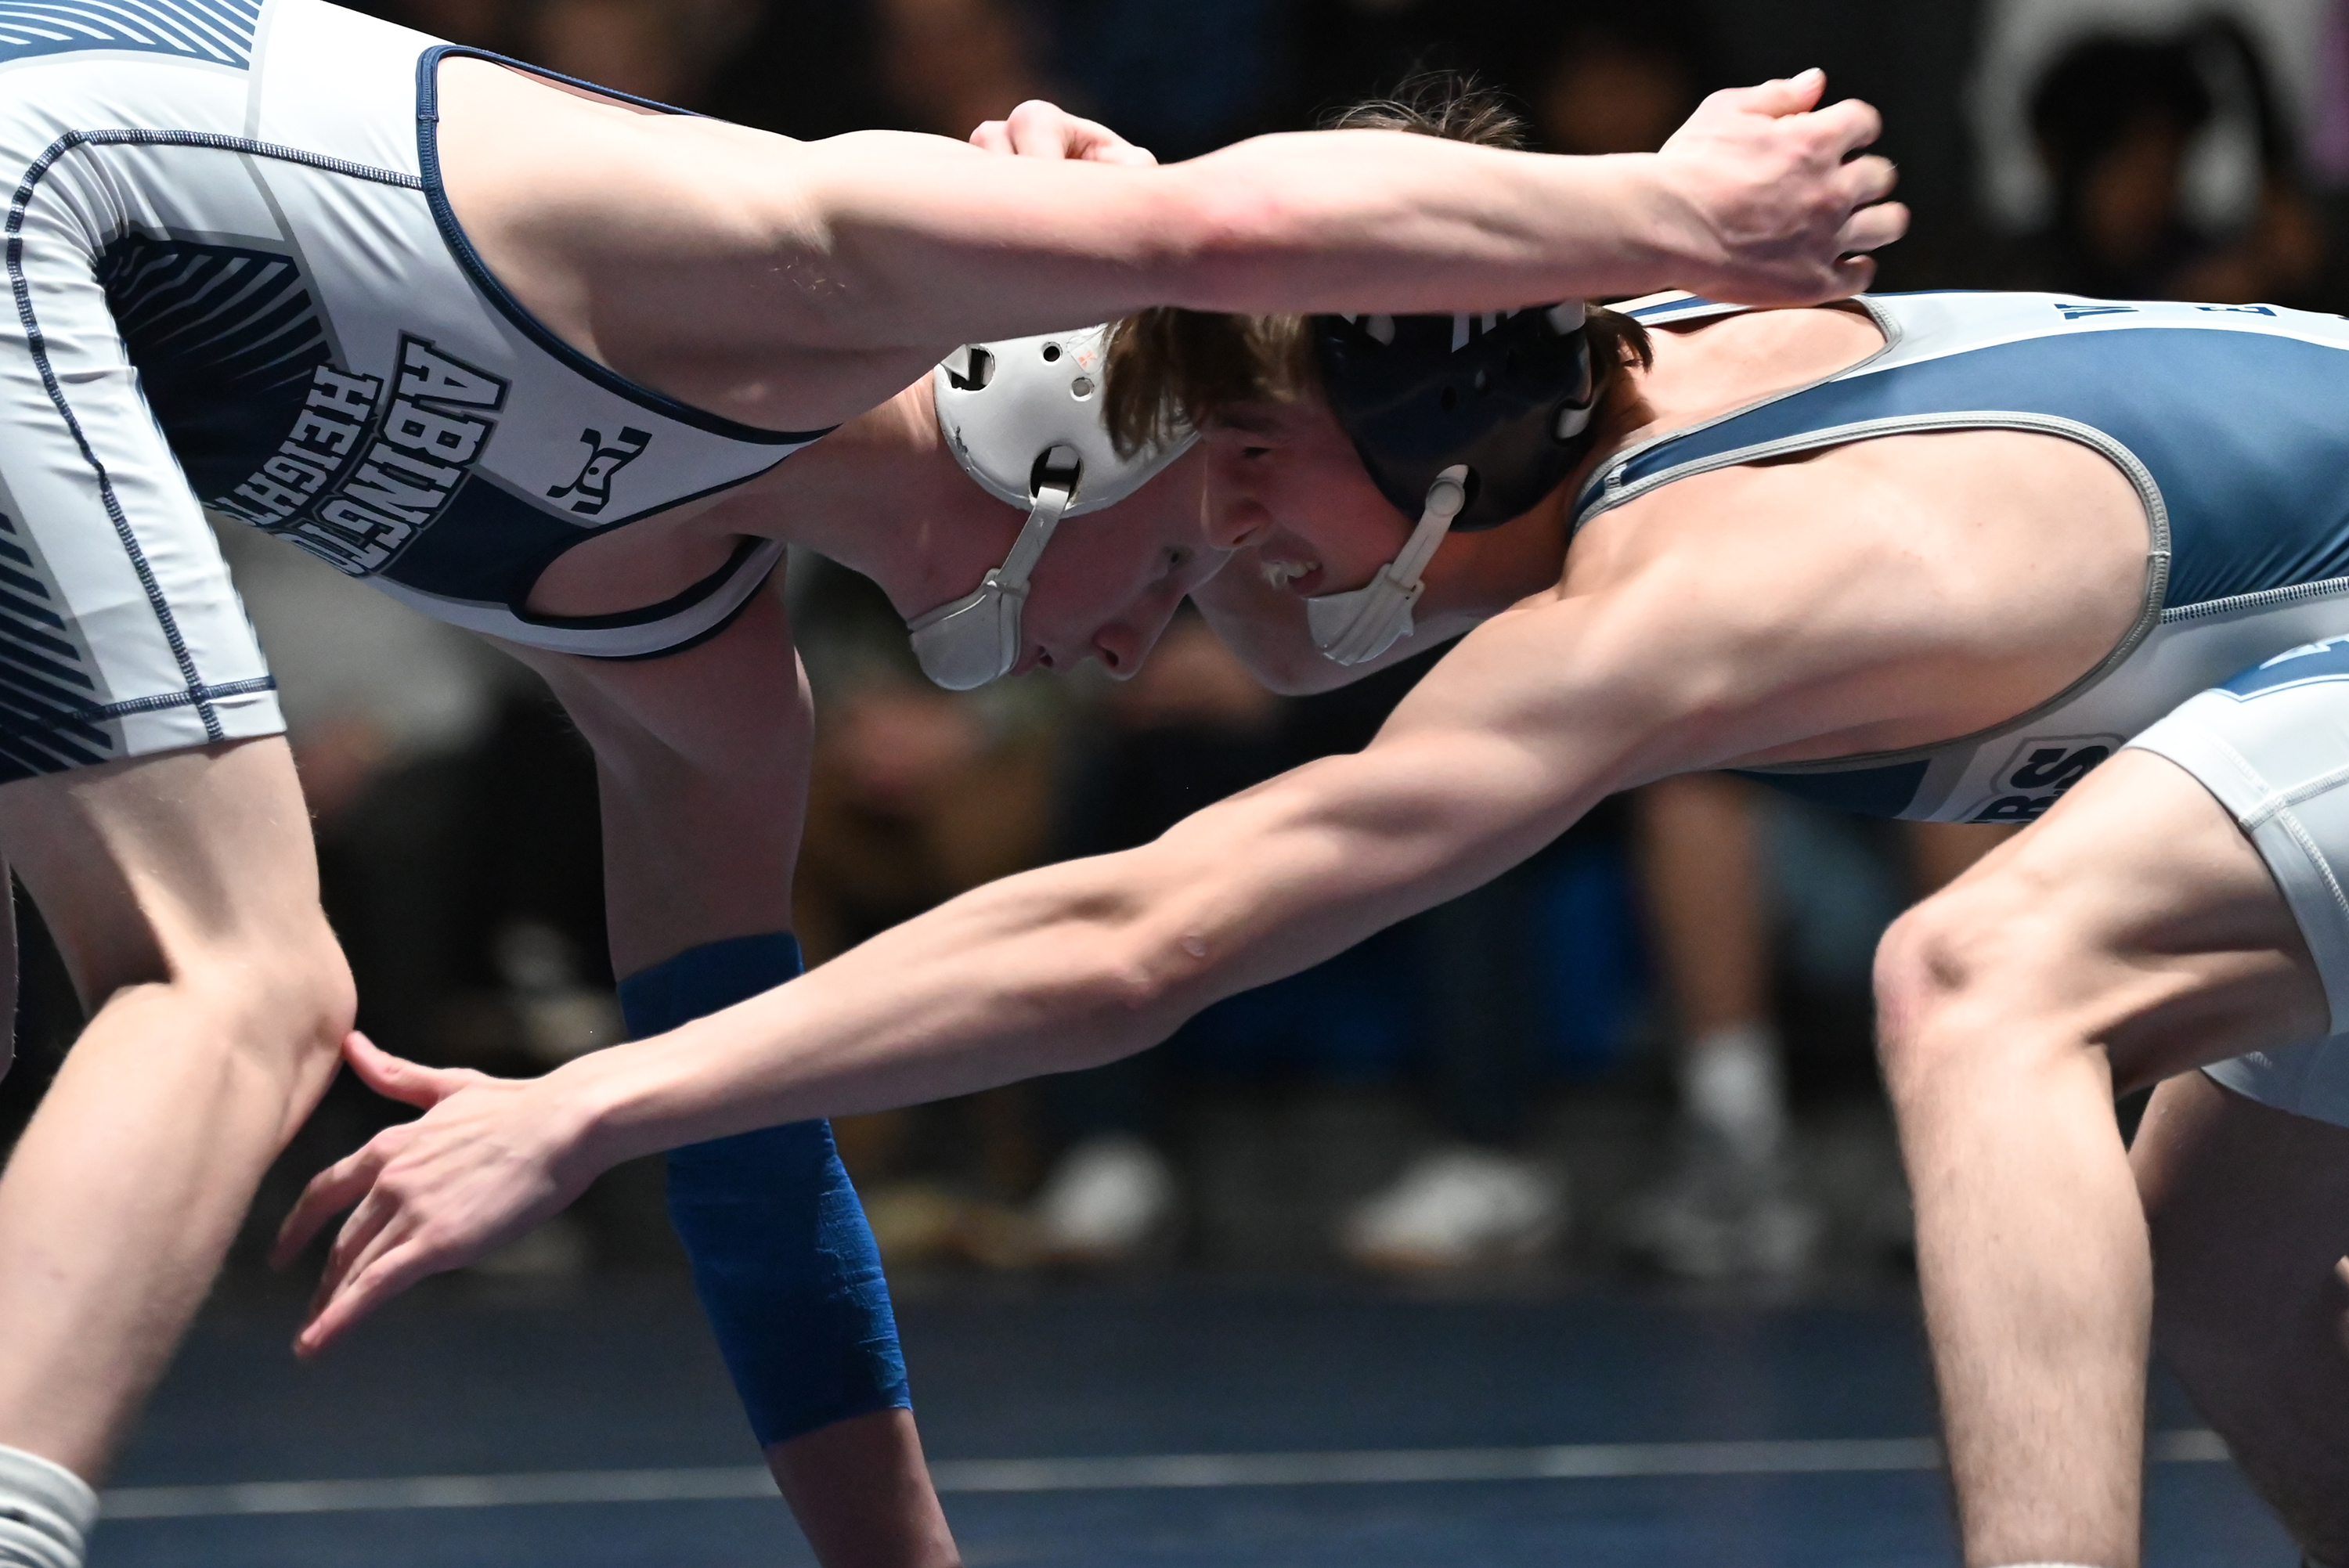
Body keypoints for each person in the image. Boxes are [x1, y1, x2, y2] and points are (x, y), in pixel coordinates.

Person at [0, 9, 1904, 1567]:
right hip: (32, 172)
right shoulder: (807, 262)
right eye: (1173, 568)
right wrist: (1658, 210)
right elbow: (1220, 239)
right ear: (1070, 415)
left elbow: (746, 1151)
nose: (1126, 645)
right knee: (235, 982)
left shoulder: (700, 688)